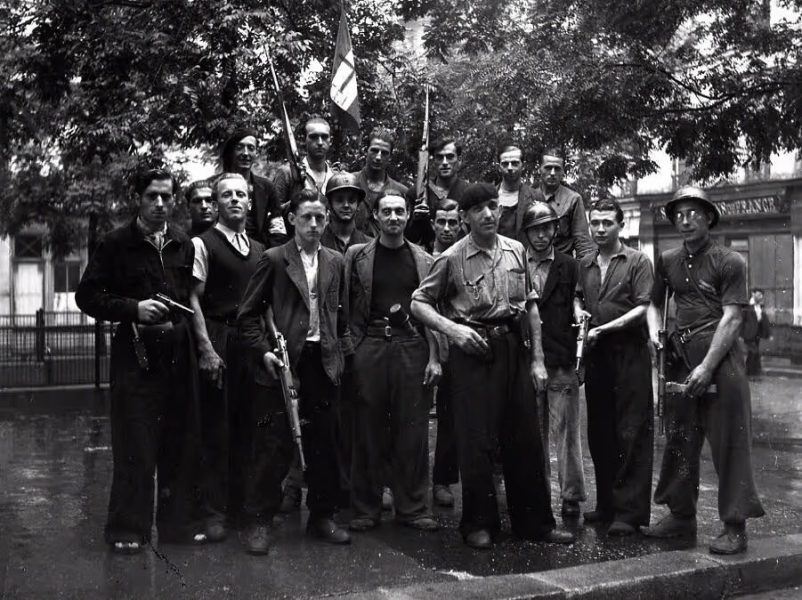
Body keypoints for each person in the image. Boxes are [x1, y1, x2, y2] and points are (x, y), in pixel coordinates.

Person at [411, 182, 574, 550]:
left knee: (525, 438)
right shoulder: (452, 257)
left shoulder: (517, 249)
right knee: (476, 441)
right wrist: (452, 330)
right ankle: (478, 524)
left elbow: (531, 305)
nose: (487, 214)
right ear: (466, 217)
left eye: (492, 206)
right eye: (478, 209)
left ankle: (535, 523)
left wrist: (537, 361)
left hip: (513, 349)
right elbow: (419, 303)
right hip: (473, 352)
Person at [75, 168, 201, 554]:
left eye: (166, 196)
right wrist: (133, 308)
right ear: (138, 198)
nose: (160, 204)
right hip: (135, 356)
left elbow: (188, 297)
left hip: (178, 354)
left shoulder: (183, 243)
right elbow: (87, 297)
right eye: (152, 196)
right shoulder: (115, 243)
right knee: (135, 441)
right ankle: (128, 529)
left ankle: (178, 526)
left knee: (179, 440)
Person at [643, 186, 764, 555]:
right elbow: (653, 304)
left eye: (694, 212)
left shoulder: (730, 261)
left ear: (708, 217)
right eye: (679, 214)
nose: (685, 220)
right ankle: (681, 517)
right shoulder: (667, 260)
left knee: (729, 443)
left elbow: (732, 319)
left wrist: (707, 367)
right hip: (679, 358)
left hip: (721, 362)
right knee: (679, 439)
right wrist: (653, 335)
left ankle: (734, 526)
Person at [238, 188, 351, 554]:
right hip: (284, 364)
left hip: (324, 363)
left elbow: (341, 314)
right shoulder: (273, 259)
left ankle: (322, 517)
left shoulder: (336, 260)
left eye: (321, 218)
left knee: (326, 444)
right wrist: (265, 353)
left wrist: (341, 355)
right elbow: (248, 316)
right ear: (292, 220)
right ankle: (259, 522)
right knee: (273, 445)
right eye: (307, 218)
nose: (315, 224)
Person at [345, 193, 441, 532]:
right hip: (370, 344)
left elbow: (432, 313)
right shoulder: (357, 256)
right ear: (375, 217)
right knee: (368, 428)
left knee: (412, 427)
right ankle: (365, 508)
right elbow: (346, 306)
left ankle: (413, 507)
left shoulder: (424, 259)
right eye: (386, 211)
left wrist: (434, 357)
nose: (394, 217)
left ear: (408, 216)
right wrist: (353, 351)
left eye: (400, 211)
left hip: (411, 345)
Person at [188, 173, 265, 544]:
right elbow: (193, 300)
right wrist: (206, 349)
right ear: (216, 203)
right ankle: (213, 512)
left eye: (241, 194)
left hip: (251, 341)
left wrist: (269, 347)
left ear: (250, 202)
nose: (235, 199)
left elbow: (265, 305)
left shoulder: (261, 249)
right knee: (216, 428)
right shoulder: (203, 244)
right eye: (226, 195)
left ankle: (244, 511)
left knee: (249, 428)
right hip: (219, 337)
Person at [576, 199, 654, 536]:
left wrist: (605, 328)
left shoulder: (638, 261)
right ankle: (606, 504)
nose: (600, 229)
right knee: (601, 432)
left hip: (630, 354)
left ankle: (630, 512)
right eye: (595, 223)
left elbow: (642, 309)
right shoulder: (586, 263)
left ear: (621, 225)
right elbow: (579, 296)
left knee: (631, 432)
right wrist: (578, 311)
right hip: (597, 356)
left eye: (608, 222)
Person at [521, 201, 586, 519]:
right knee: (533, 434)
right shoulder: (517, 264)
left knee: (567, 433)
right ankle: (536, 493)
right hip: (529, 360)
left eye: (547, 228)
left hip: (561, 359)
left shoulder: (569, 265)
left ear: (556, 229)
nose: (542, 235)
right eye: (535, 229)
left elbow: (578, 300)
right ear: (527, 233)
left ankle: (571, 496)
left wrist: (578, 311)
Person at [319, 172, 372, 507]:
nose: (346, 205)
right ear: (330, 203)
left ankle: (356, 486)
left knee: (357, 417)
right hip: (323, 338)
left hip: (357, 341)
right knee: (324, 416)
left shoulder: (368, 243)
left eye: (352, 198)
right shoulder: (316, 239)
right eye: (339, 198)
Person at [429, 199, 461, 506]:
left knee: (451, 415)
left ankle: (443, 480)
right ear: (434, 224)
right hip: (426, 344)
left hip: (456, 344)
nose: (448, 228)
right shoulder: (422, 257)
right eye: (442, 222)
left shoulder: (462, 256)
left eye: (453, 222)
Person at [219, 128, 286, 247]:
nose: (245, 153)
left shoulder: (266, 187)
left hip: (259, 254)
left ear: (256, 153)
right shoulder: (215, 186)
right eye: (239, 147)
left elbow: (277, 228)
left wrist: (270, 256)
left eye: (251, 148)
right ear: (231, 151)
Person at [405, 136, 470, 248]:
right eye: (439, 157)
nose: (444, 162)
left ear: (459, 160)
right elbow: (408, 238)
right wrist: (416, 220)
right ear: (433, 161)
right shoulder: (416, 192)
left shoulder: (470, 193)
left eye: (450, 157)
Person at [534, 150, 595, 259]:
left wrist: (584, 271)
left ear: (563, 172)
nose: (552, 173)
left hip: (562, 267)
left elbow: (582, 242)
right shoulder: (528, 197)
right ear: (540, 169)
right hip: (531, 267)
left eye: (557, 169)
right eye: (548, 168)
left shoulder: (573, 199)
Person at [351, 127, 409, 237]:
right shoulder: (350, 182)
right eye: (374, 150)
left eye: (384, 153)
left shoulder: (401, 191)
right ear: (365, 150)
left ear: (390, 156)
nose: (378, 157)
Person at [273, 117, 339, 211]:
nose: (320, 142)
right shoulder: (287, 173)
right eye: (313, 137)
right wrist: (299, 201)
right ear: (305, 140)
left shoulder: (336, 177)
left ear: (330, 141)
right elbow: (274, 213)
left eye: (324, 137)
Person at [495, 143, 539, 242]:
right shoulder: (489, 197)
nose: (510, 168)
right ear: (498, 167)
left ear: (522, 166)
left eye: (515, 163)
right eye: (505, 164)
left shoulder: (535, 196)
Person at [321, 172, 372, 254]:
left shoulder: (370, 245)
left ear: (358, 204)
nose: (346, 205)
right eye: (339, 200)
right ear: (329, 204)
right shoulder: (316, 242)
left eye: (351, 200)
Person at [741, 288, 771, 377]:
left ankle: (749, 372)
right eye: (758, 295)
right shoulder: (746, 306)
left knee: (753, 352)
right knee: (754, 352)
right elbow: (742, 320)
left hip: (757, 332)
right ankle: (752, 373)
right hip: (748, 333)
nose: (760, 297)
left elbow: (763, 319)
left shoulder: (760, 306)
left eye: (761, 295)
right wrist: (741, 334)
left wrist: (767, 332)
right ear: (753, 294)